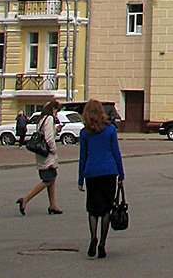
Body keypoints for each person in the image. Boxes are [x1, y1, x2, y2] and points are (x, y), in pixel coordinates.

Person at [78, 99, 125, 259]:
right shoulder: (110, 130)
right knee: (106, 209)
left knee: (92, 208)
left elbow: (83, 157)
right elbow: (116, 153)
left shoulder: (84, 133)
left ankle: (93, 237)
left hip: (91, 172)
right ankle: (102, 244)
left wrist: (80, 178)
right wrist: (121, 174)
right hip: (109, 171)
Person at [16, 100, 62, 215]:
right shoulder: (50, 118)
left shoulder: (42, 118)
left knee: (52, 177)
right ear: (53, 109)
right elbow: (49, 137)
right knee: (48, 180)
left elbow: (45, 133)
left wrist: (57, 130)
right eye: (56, 111)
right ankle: (25, 200)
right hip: (47, 154)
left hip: (41, 152)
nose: (56, 114)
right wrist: (54, 150)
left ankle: (53, 205)